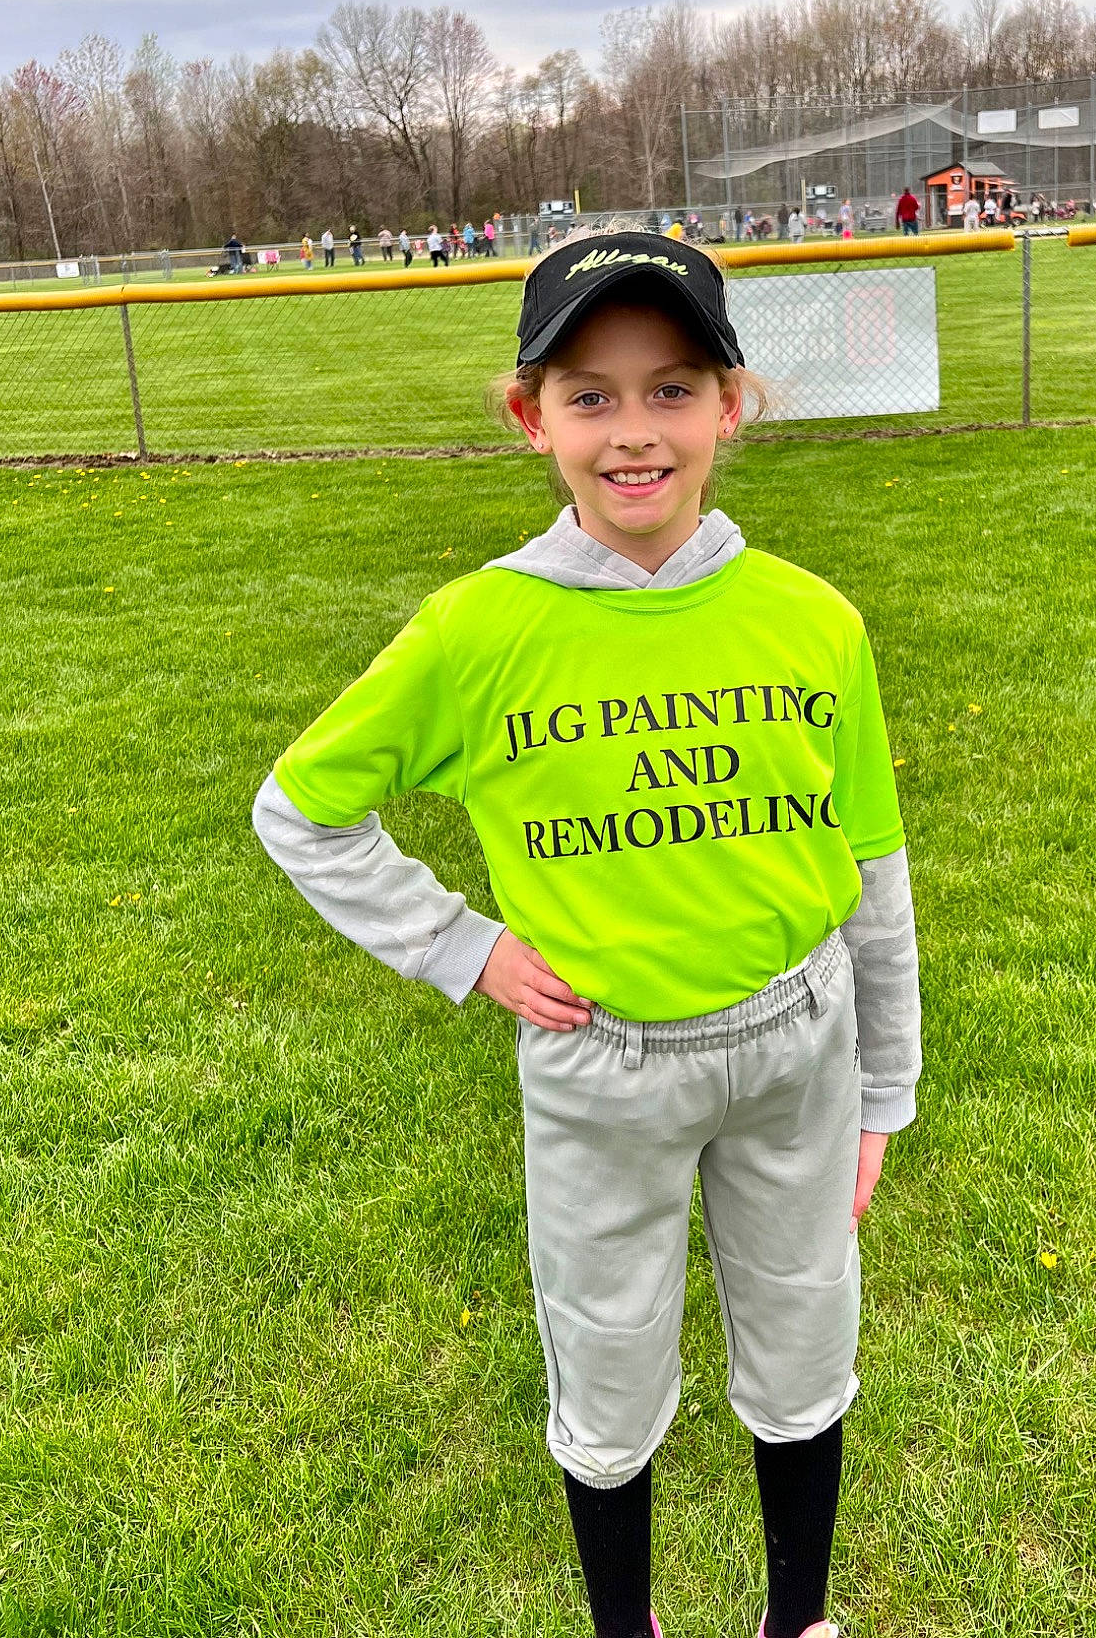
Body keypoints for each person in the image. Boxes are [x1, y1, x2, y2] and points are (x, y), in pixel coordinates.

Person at [251, 232, 919, 1638]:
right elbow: (301, 810)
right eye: (591, 395)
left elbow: (869, 868)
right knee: (610, 1368)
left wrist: (887, 1087)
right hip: (602, 1063)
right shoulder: (482, 630)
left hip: (800, 1046)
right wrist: (463, 947)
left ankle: (796, 1618)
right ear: (530, 416)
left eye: (672, 389)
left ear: (733, 404)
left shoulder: (811, 620)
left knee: (804, 1345)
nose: (635, 433)